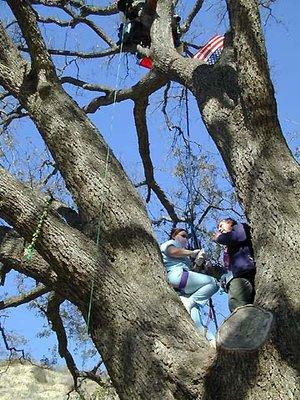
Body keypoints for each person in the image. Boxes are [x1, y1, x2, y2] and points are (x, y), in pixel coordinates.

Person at [160, 227, 219, 337]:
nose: (185, 239)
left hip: (182, 285)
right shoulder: (171, 243)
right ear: (174, 236)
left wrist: (198, 263)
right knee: (213, 283)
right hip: (177, 275)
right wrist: (191, 253)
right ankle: (191, 301)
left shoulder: (185, 257)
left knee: (195, 315)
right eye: (183, 235)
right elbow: (173, 252)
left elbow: (193, 274)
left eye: (186, 237)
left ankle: (209, 339)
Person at [213, 218, 256, 312]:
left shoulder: (239, 227)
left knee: (237, 306)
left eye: (221, 225)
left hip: (245, 275)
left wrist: (218, 238)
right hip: (241, 276)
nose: (219, 229)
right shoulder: (228, 248)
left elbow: (235, 237)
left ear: (230, 222)